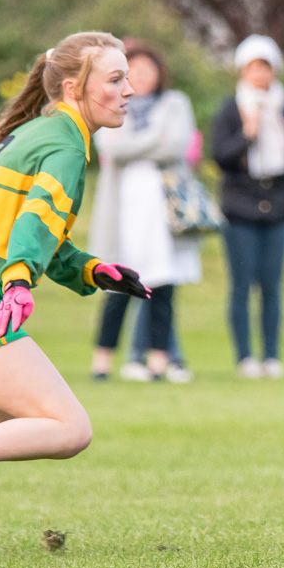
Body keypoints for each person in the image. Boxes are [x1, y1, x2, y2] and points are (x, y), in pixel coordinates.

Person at [0, 32, 151, 556]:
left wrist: (92, 271)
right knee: (69, 428)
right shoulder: (65, 141)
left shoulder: (48, 130)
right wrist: (17, 281)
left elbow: (41, 230)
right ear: (75, 88)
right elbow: (34, 222)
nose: (130, 90)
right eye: (116, 79)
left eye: (127, 78)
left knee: (5, 422)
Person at [88, 41, 202, 382]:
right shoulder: (111, 103)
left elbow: (176, 145)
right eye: (132, 71)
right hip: (123, 207)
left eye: (147, 70)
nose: (141, 77)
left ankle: (158, 362)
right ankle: (102, 361)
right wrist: (154, 139)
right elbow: (109, 146)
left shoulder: (175, 103)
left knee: (162, 285)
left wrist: (133, 146)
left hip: (162, 209)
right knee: (117, 283)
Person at [211, 35, 284, 379]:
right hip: (239, 210)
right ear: (243, 70)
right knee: (241, 284)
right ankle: (245, 356)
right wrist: (249, 134)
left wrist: (275, 134)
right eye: (253, 67)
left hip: (277, 207)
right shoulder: (230, 108)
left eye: (265, 67)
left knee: (271, 285)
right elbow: (220, 155)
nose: (259, 74)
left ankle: (271, 355)